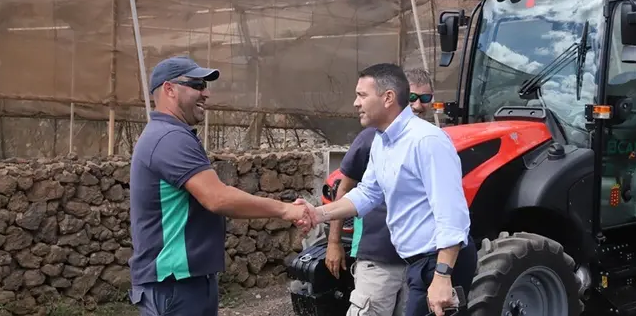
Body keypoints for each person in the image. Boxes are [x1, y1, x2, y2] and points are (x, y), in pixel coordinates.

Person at [127, 56, 311, 316]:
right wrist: (284, 210)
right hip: (174, 285)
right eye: (197, 85)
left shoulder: (169, 135)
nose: (206, 93)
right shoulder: (169, 139)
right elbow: (217, 198)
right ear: (169, 89)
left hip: (183, 282)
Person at [294, 63, 476, 316]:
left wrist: (443, 277)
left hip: (439, 261)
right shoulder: (382, 141)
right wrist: (317, 213)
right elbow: (367, 194)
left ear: (388, 97)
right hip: (416, 262)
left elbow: (453, 216)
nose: (356, 103)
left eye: (362, 95)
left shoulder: (427, 141)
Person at [324, 68, 436, 316]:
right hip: (379, 258)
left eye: (425, 99)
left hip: (418, 263)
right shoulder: (371, 140)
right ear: (394, 97)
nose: (418, 105)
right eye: (413, 98)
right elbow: (347, 189)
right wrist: (333, 241)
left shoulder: (431, 141)